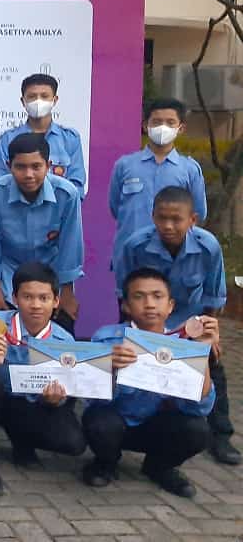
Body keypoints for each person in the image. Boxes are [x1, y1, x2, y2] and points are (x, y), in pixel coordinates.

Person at [113, 187, 238, 465]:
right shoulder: (135, 245)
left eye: (176, 219)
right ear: (152, 217)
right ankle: (131, 421)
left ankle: (221, 435)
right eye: (162, 218)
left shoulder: (208, 246)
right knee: (130, 365)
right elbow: (125, 292)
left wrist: (209, 334)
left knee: (212, 367)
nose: (168, 225)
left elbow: (213, 295)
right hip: (147, 321)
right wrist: (130, 331)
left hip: (188, 322)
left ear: (192, 220)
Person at [83, 268, 219, 497]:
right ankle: (105, 463)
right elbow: (90, 399)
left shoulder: (184, 343)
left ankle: (159, 467)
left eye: (157, 296)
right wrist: (110, 368)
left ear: (170, 305)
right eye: (139, 296)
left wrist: (202, 352)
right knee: (98, 422)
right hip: (118, 424)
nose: (149, 304)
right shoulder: (107, 338)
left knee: (198, 430)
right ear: (126, 306)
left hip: (158, 427)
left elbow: (199, 407)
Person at [0, 262, 87, 496]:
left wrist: (55, 399)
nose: (36, 305)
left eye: (44, 298)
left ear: (56, 301)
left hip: (31, 406)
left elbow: (70, 386)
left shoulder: (63, 341)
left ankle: (23, 442)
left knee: (73, 442)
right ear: (14, 298)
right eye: (28, 297)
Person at [0, 133, 83, 333]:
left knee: (57, 340)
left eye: (36, 167)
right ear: (9, 166)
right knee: (6, 341)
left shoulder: (67, 194)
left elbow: (70, 246)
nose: (29, 174)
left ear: (48, 165)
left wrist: (67, 293)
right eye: (20, 167)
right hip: (9, 279)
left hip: (52, 277)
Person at [108, 98, 206, 267]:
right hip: (131, 256)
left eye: (170, 122)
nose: (163, 127)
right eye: (157, 122)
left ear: (181, 128)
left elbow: (199, 213)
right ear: (145, 126)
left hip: (173, 258)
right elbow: (115, 208)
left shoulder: (189, 169)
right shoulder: (124, 165)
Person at [0, 73, 86, 193]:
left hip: (59, 205)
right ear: (23, 101)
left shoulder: (70, 139)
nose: (38, 101)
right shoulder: (7, 139)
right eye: (32, 96)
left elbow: (76, 187)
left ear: (55, 100)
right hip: (16, 205)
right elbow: (0, 185)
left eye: (44, 96)